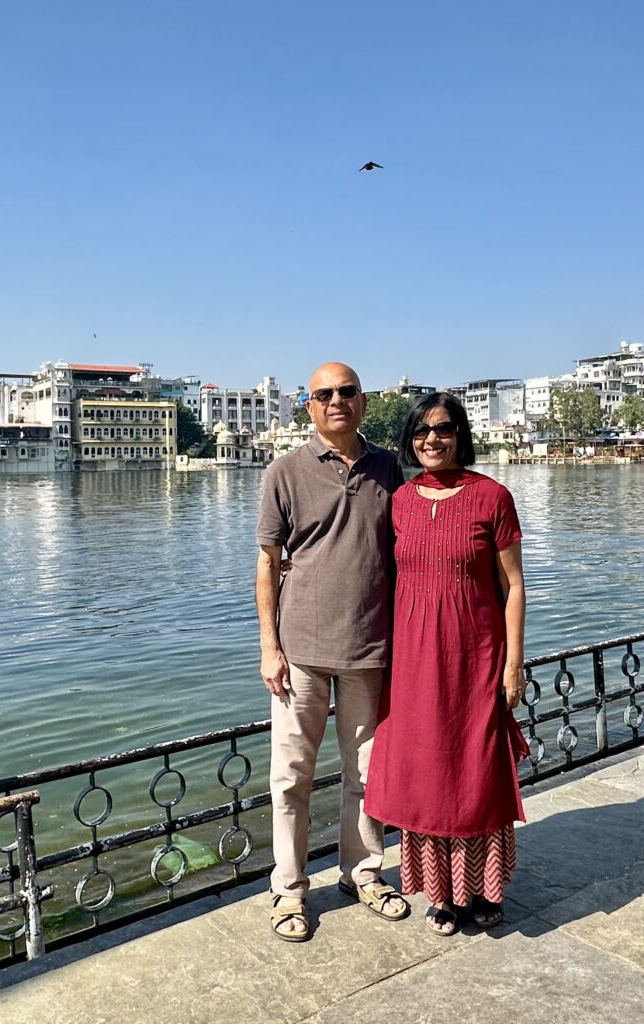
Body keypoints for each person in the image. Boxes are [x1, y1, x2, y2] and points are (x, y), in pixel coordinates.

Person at [364, 393, 527, 937]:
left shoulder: (492, 497)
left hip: (476, 655)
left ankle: (482, 888)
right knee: (427, 772)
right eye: (421, 431)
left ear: (460, 434)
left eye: (443, 429)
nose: (431, 439)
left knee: (475, 768)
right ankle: (441, 893)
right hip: (413, 659)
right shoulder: (401, 502)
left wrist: (513, 663)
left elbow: (513, 586)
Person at [256, 361, 408, 942]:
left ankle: (362, 873)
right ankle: (289, 889)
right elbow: (268, 564)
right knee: (291, 777)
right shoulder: (284, 472)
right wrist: (269, 647)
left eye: (347, 392)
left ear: (363, 402)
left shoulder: (388, 468)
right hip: (300, 653)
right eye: (324, 394)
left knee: (366, 775)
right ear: (310, 405)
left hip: (370, 648)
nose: (336, 401)